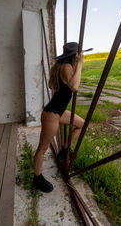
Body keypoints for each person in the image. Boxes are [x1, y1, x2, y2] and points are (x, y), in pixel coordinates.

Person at [33, 42, 87, 193]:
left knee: (82, 124)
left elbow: (59, 85)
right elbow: (75, 87)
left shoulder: (61, 67)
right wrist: (80, 63)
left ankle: (64, 149)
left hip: (58, 111)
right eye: (78, 55)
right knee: (42, 148)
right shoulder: (66, 67)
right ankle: (37, 178)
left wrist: (76, 64)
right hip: (52, 114)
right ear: (75, 55)